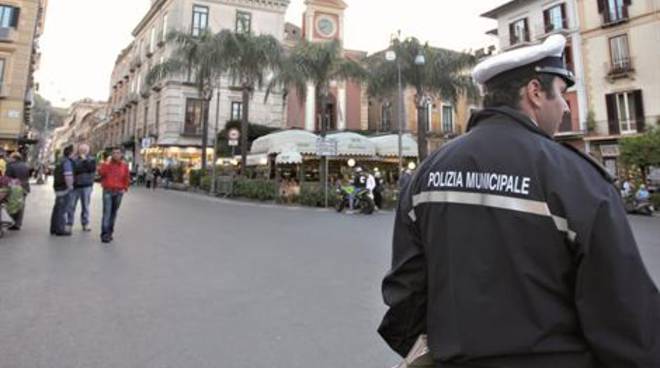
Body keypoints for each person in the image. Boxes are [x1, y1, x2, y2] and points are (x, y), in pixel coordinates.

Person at [379, 35, 660, 367]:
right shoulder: (577, 178)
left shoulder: (427, 172)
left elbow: (407, 291)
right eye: (562, 93)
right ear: (536, 93)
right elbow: (623, 312)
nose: (567, 106)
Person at [98, 147, 130, 243]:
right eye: (114, 153)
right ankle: (104, 234)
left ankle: (110, 232)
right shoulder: (106, 164)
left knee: (113, 213)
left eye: (118, 153)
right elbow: (101, 173)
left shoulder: (124, 166)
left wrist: (125, 188)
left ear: (121, 155)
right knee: (107, 213)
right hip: (108, 191)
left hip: (119, 192)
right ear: (111, 155)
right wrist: (106, 164)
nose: (116, 154)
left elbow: (126, 177)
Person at [68, 144, 96, 232]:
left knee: (85, 206)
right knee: (71, 206)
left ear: (88, 151)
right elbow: (75, 169)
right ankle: (69, 223)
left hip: (87, 186)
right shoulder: (74, 159)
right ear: (79, 150)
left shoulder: (92, 160)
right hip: (75, 186)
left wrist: (84, 161)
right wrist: (83, 167)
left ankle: (85, 224)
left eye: (85, 150)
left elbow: (91, 169)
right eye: (82, 150)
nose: (83, 152)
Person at [50, 145, 75, 236]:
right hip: (63, 187)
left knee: (57, 208)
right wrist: (70, 186)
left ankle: (54, 227)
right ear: (71, 153)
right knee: (62, 209)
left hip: (58, 186)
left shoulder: (60, 161)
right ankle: (60, 229)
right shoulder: (67, 162)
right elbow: (68, 175)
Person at [5, 152, 30, 230]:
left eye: (11, 157)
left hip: (14, 187)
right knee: (21, 205)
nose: (9, 159)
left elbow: (7, 178)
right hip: (25, 187)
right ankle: (18, 224)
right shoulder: (25, 165)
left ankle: (12, 222)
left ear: (14, 158)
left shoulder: (10, 166)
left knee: (12, 204)